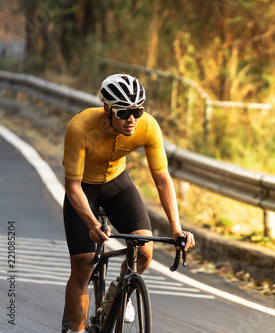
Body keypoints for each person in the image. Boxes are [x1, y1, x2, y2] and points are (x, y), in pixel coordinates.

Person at [62, 74, 195, 333]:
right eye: (123, 112)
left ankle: (119, 294)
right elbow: (72, 186)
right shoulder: (80, 128)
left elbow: (162, 180)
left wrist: (176, 228)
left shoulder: (148, 126)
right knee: (83, 266)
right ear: (107, 109)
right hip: (84, 189)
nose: (132, 118)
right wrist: (91, 223)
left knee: (144, 252)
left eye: (138, 110)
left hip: (117, 184)